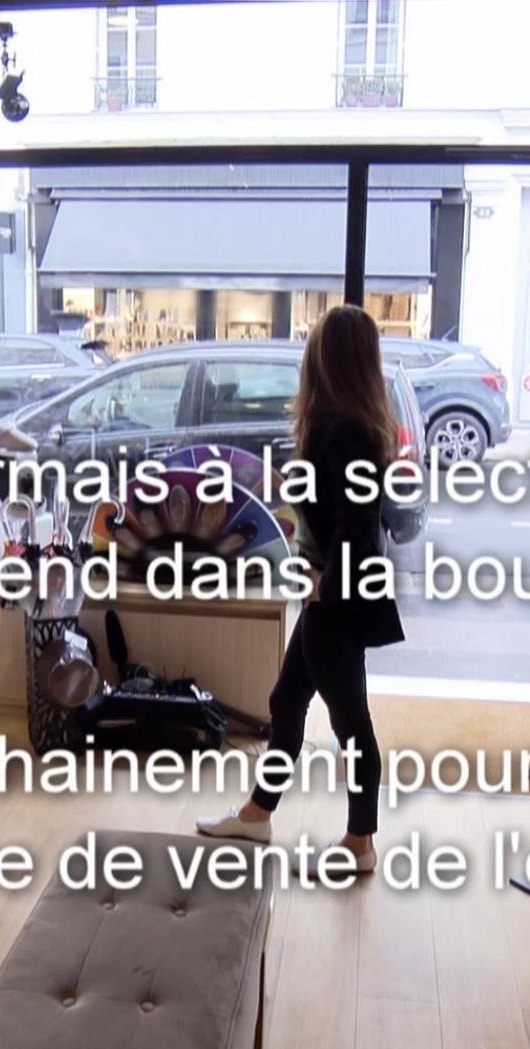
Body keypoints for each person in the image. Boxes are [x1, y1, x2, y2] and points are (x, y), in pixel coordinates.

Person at [196, 305, 406, 875]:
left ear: (326, 359)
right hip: (333, 597)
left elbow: (356, 528)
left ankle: (360, 843)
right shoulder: (347, 424)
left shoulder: (346, 432)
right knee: (287, 702)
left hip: (336, 601)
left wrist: (322, 588)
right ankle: (257, 814)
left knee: (350, 723)